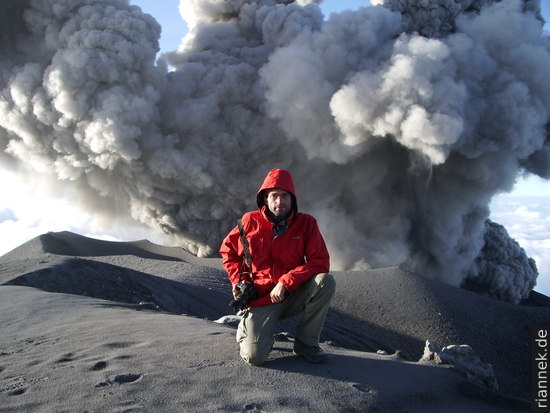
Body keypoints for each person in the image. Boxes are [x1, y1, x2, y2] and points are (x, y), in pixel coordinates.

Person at [220, 168, 335, 365]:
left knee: (325, 282)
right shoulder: (249, 222)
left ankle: (306, 344)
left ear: (293, 199)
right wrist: (238, 281)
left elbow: (320, 262)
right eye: (274, 196)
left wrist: (286, 282)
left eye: (284, 196)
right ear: (265, 199)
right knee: (254, 357)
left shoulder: (306, 224)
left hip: (293, 294)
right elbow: (228, 252)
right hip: (262, 299)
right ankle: (249, 330)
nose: (279, 201)